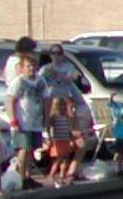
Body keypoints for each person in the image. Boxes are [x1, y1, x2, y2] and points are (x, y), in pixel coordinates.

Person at [5, 53, 44, 187]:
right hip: (22, 122)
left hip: (36, 122)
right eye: (28, 66)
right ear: (22, 67)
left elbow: (46, 99)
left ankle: (28, 177)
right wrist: (13, 120)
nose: (31, 68)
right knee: (23, 149)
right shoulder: (19, 82)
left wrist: (47, 118)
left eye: (33, 65)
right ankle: (21, 178)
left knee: (31, 150)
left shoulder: (40, 81)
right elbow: (10, 100)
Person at [45, 95, 82, 187]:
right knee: (59, 159)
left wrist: (71, 139)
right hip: (58, 140)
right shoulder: (54, 117)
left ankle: (62, 174)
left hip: (65, 140)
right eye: (60, 105)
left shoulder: (66, 117)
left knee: (66, 158)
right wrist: (49, 137)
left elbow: (69, 129)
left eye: (63, 106)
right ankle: (51, 174)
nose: (62, 108)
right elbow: (48, 127)